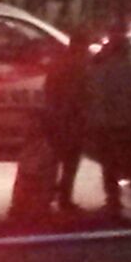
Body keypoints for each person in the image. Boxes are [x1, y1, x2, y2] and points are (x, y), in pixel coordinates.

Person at [84, 27, 131, 216]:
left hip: (106, 123)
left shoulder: (100, 72)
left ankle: (113, 202)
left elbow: (93, 96)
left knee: (109, 164)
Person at [44, 33, 88, 212]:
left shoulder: (58, 63)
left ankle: (47, 196)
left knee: (54, 159)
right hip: (73, 118)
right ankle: (64, 197)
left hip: (56, 117)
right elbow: (83, 93)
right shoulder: (81, 66)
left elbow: (48, 89)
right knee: (71, 161)